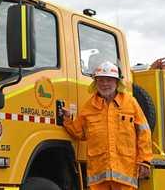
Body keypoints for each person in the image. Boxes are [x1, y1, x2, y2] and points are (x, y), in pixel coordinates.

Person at [62, 61, 152, 190]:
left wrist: (144, 161)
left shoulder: (130, 103)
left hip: (124, 174)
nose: (105, 84)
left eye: (109, 80)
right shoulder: (89, 106)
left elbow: (144, 132)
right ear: (95, 83)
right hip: (99, 176)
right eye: (101, 80)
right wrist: (67, 119)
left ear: (117, 83)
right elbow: (79, 133)